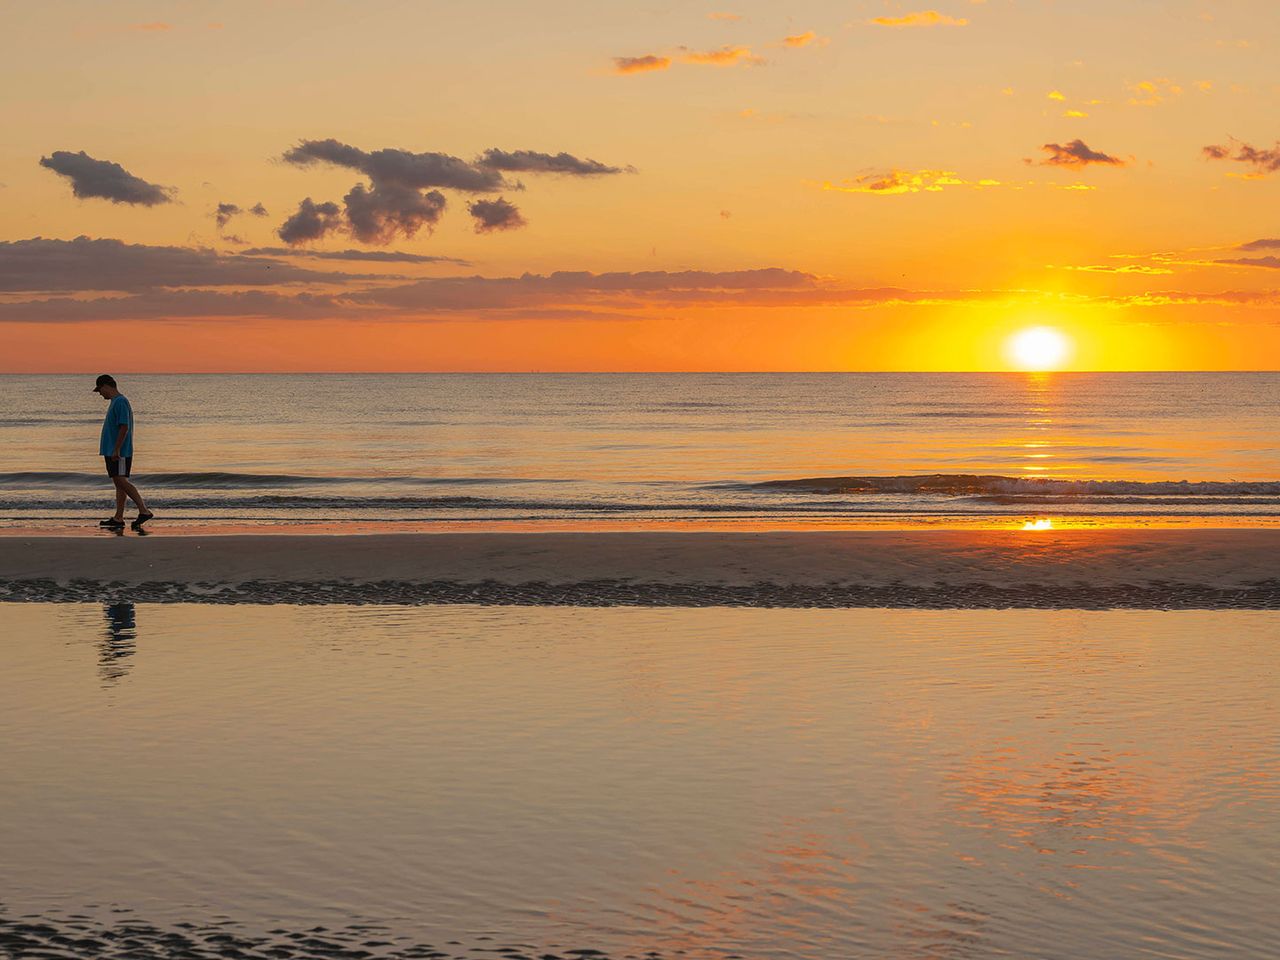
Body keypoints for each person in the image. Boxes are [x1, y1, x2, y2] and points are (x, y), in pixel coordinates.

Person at [93, 374, 154, 529]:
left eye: (100, 390)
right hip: (112, 450)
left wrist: (117, 448)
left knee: (121, 481)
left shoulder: (120, 401)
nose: (100, 394)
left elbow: (124, 426)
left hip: (119, 451)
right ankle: (118, 517)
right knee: (118, 483)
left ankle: (144, 510)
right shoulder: (116, 402)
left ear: (106, 385)